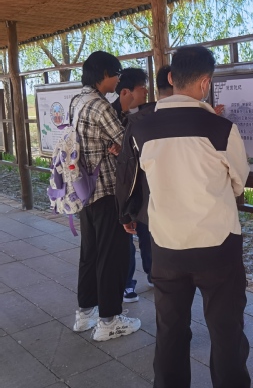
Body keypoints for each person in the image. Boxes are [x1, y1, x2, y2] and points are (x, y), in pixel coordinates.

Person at [118, 46, 251, 387]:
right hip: (218, 246)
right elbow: (238, 182)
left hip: (166, 247)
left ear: (171, 77)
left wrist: (127, 213)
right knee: (226, 332)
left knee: (170, 332)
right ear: (205, 83)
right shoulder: (221, 129)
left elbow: (130, 179)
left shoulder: (141, 129)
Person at [70, 51, 141, 342]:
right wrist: (120, 146)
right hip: (106, 191)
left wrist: (114, 146)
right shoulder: (100, 106)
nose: (118, 80)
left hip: (84, 190)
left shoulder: (78, 100)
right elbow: (129, 143)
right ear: (104, 75)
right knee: (112, 256)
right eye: (116, 75)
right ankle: (109, 320)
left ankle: (85, 313)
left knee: (90, 253)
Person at [118, 66, 173, 303]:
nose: (146, 91)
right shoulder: (118, 116)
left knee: (147, 235)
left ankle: (153, 274)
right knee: (128, 242)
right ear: (126, 91)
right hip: (129, 187)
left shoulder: (148, 113)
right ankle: (128, 284)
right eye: (142, 87)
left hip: (146, 188)